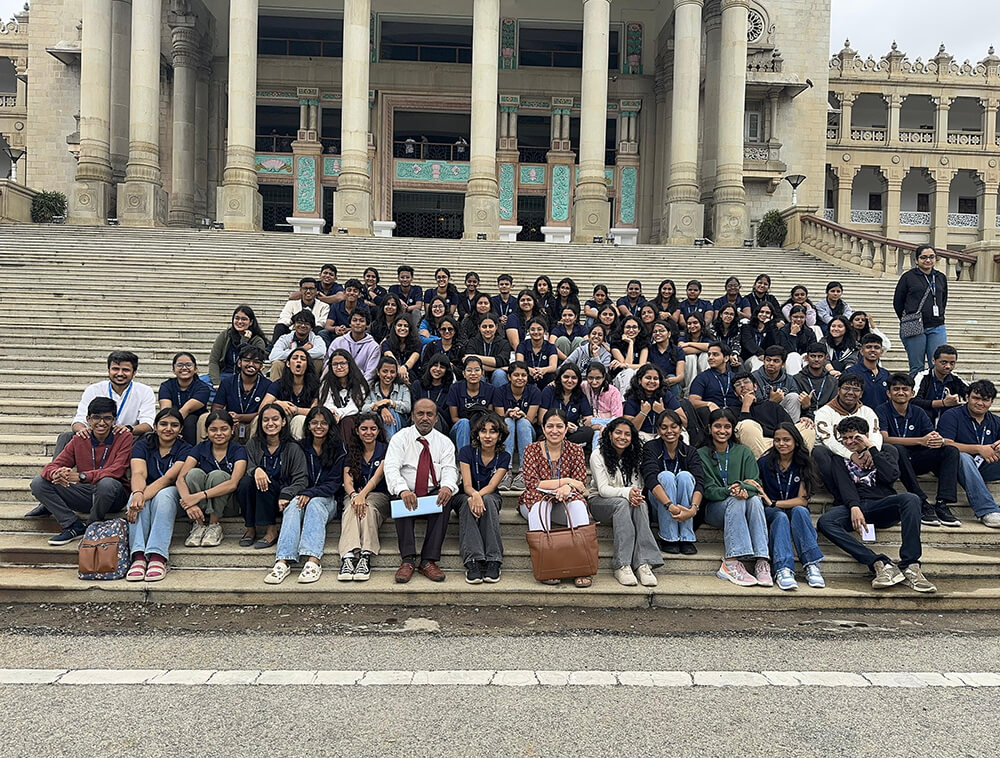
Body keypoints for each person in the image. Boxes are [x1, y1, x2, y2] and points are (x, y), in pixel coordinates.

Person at [817, 416, 935, 593]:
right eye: (845, 438)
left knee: (911, 499)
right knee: (825, 522)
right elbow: (844, 486)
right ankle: (879, 563)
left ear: (865, 435)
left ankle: (910, 564)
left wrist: (872, 450)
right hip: (855, 508)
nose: (850, 442)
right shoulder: (839, 458)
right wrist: (854, 507)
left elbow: (890, 476)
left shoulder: (885, 451)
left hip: (882, 505)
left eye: (855, 437)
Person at [29, 397, 132, 545]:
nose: (101, 423)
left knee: (107, 483)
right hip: (85, 492)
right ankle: (72, 525)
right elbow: (53, 465)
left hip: (113, 495)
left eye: (107, 418)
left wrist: (81, 476)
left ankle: (93, 525)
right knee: (39, 483)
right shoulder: (80, 438)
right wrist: (56, 474)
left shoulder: (123, 437)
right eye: (96, 418)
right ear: (88, 419)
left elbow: (116, 470)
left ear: (114, 420)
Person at [265, 406, 347, 584]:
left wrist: (310, 493)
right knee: (294, 504)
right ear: (308, 425)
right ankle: (282, 561)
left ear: (330, 425)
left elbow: (334, 484)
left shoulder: (339, 449)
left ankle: (313, 561)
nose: (319, 426)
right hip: (301, 496)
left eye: (324, 423)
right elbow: (290, 476)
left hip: (327, 500)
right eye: (314, 422)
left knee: (315, 504)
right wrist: (290, 494)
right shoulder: (298, 447)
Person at [384, 398, 459, 583]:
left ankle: (428, 561)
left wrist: (447, 487)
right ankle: (408, 560)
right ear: (412, 416)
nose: (425, 418)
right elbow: (391, 468)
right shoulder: (400, 438)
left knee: (446, 498)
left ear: (435, 418)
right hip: (407, 491)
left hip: (433, 492)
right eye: (420, 413)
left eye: (429, 414)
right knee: (398, 497)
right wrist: (403, 490)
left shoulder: (445, 442)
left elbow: (450, 469)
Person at [519, 409, 593, 588]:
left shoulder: (575, 450)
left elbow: (580, 483)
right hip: (535, 499)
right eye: (550, 426)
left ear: (567, 428)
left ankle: (581, 566)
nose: (555, 430)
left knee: (578, 506)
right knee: (539, 506)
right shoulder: (532, 449)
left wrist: (567, 488)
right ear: (543, 429)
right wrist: (566, 481)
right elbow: (532, 483)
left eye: (559, 426)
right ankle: (547, 565)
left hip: (565, 501)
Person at [698, 409, 772, 587]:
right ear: (709, 428)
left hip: (743, 504)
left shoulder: (743, 452)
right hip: (714, 509)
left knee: (754, 500)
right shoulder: (701, 454)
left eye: (727, 427)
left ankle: (762, 560)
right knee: (737, 499)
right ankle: (730, 563)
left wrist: (742, 487)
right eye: (717, 426)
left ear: (733, 429)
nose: (722, 431)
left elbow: (755, 483)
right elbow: (708, 490)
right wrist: (733, 490)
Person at [877, 372, 961, 527]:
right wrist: (920, 441)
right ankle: (921, 500)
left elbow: (930, 434)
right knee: (897, 448)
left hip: (916, 460)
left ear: (912, 393)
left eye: (905, 389)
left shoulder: (918, 411)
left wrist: (936, 440)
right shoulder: (882, 410)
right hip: (894, 462)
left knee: (951, 450)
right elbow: (884, 438)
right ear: (888, 393)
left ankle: (942, 503)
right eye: (896, 389)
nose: (901, 392)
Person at [589, 417, 662, 587]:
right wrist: (628, 493)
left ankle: (643, 563)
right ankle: (622, 564)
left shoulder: (635, 455)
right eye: (618, 433)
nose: (622, 437)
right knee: (622, 503)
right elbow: (603, 490)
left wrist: (634, 495)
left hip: (627, 502)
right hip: (600, 503)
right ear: (610, 434)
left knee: (641, 503)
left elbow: (637, 486)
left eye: (627, 434)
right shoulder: (597, 455)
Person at [125, 408, 193, 582]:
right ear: (155, 426)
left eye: (174, 425)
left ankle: (157, 556)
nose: (168, 428)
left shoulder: (186, 449)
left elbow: (169, 479)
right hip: (148, 490)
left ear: (181, 429)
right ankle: (139, 556)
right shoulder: (142, 445)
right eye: (163, 424)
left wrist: (141, 496)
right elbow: (138, 474)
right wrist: (138, 494)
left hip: (173, 494)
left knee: (162, 496)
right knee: (135, 498)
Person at [755, 423, 825, 591]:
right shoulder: (765, 462)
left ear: (796, 441)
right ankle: (783, 568)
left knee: (800, 511)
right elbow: (758, 489)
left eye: (786, 440)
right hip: (772, 512)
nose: (781, 444)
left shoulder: (803, 463)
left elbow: (802, 501)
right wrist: (771, 504)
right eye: (777, 440)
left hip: (789, 507)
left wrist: (774, 502)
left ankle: (811, 564)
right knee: (780, 517)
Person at [56, 350, 156, 456]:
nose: (120, 374)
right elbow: (79, 420)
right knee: (66, 437)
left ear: (134, 373)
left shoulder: (145, 391)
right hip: (96, 435)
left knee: (149, 437)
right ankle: (52, 471)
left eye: (125, 370)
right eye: (115, 369)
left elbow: (148, 424)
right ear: (109, 370)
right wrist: (83, 430)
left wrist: (129, 429)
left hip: (127, 437)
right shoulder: (93, 389)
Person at [237, 404, 308, 549]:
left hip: (281, 498)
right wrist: (256, 469)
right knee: (245, 483)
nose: (270, 424)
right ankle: (250, 528)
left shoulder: (293, 447)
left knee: (266, 484)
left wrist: (286, 493)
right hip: (257, 496)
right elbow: (248, 466)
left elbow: (302, 479)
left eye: (275, 419)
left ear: (283, 422)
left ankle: (271, 530)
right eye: (265, 420)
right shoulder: (253, 444)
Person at [175, 410, 247, 548]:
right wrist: (189, 503)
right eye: (213, 429)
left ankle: (214, 525)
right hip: (199, 506)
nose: (219, 433)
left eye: (224, 429)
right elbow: (180, 479)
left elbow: (233, 484)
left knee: (218, 475)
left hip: (228, 505)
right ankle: (199, 525)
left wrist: (198, 496)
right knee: (193, 473)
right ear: (207, 431)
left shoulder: (238, 450)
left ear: (232, 430)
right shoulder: (200, 448)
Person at [456, 411, 510, 584]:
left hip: (490, 497)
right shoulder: (466, 452)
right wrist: (474, 496)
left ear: (500, 435)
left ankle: (494, 559)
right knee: (466, 502)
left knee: (487, 500)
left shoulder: (504, 456)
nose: (487, 436)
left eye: (493, 431)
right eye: (483, 431)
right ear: (477, 434)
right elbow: (466, 486)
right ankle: (473, 560)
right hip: (466, 494)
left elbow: (493, 486)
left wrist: (478, 496)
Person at [938, 379, 1000, 528]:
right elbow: (944, 443)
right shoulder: (951, 415)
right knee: (963, 457)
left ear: (991, 402)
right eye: (976, 398)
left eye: (985, 400)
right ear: (967, 397)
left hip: (984, 467)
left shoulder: (995, 421)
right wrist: (979, 448)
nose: (980, 403)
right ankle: (988, 510)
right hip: (954, 467)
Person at [642, 409, 704, 554]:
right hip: (658, 503)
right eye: (664, 427)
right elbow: (650, 479)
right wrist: (670, 506)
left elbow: (700, 482)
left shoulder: (690, 451)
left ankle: (686, 537)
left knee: (685, 476)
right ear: (658, 430)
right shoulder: (650, 448)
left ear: (681, 428)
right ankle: (668, 537)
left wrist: (693, 509)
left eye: (674, 426)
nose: (669, 431)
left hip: (686, 506)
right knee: (666, 476)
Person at [339, 411, 392, 580]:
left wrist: (362, 496)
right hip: (354, 493)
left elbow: (377, 477)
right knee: (350, 509)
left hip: (378, 494)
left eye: (373, 429)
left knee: (367, 507)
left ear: (378, 430)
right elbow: (347, 481)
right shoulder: (351, 450)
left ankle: (365, 555)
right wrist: (355, 495)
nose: (368, 432)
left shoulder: (386, 449)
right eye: (364, 429)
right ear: (357, 431)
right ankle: (348, 557)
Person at [813, 373, 882, 494]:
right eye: (846, 388)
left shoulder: (867, 411)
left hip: (862, 453)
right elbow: (828, 441)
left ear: (861, 394)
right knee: (819, 452)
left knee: (891, 450)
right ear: (838, 390)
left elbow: (876, 434)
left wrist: (872, 451)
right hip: (837, 456)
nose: (850, 392)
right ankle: (838, 494)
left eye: (856, 390)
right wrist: (851, 455)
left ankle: (879, 491)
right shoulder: (824, 412)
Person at [894, 244, 948, 375]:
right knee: (916, 366)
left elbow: (943, 299)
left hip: (937, 325)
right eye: (923, 257)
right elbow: (898, 302)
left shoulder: (940, 277)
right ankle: (916, 394)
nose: (928, 260)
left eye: (931, 257)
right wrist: (907, 318)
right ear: (916, 260)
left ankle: (934, 394)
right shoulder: (908, 277)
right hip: (914, 325)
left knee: (937, 365)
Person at [733, 371, 815, 457]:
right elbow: (743, 434)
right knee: (746, 425)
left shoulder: (771, 405)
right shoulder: (732, 410)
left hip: (780, 441)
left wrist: (779, 440)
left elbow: (789, 426)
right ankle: (764, 465)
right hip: (760, 444)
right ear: (735, 392)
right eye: (737, 384)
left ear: (755, 387)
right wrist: (745, 406)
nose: (742, 385)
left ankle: (800, 462)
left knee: (806, 426)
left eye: (746, 382)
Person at [211, 344, 276, 442]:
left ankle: (256, 454)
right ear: (239, 363)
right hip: (231, 424)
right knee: (205, 418)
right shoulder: (227, 382)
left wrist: (240, 417)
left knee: (259, 419)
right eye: (247, 360)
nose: (251, 364)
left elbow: (266, 413)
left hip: (255, 426)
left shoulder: (268, 385)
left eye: (256, 362)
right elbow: (216, 407)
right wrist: (228, 417)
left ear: (262, 366)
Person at [493, 361, 540, 489]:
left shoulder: (533, 391)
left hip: (527, 430)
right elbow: (499, 418)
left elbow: (530, 419)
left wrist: (522, 415)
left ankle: (524, 471)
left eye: (523, 375)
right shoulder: (500, 391)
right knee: (507, 422)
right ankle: (504, 471)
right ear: (509, 377)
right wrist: (508, 414)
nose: (520, 378)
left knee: (523, 422)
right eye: (516, 375)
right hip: (506, 430)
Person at [158, 352, 210, 445]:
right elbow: (165, 409)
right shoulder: (166, 386)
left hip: (195, 423)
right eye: (180, 365)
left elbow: (187, 409)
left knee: (190, 420)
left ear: (195, 369)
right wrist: (170, 426)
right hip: (172, 419)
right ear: (173, 369)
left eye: (188, 365)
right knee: (167, 415)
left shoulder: (203, 388)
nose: (184, 368)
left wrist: (174, 427)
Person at [623, 364, 684, 443]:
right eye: (648, 378)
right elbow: (629, 429)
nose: (652, 381)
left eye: (655, 378)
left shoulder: (666, 395)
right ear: (639, 380)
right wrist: (643, 413)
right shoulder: (632, 397)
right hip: (642, 435)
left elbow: (684, 422)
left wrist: (663, 412)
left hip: (665, 433)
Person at [269, 348, 320, 439]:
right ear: (288, 363)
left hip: (305, 424)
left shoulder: (315, 385)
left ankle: (297, 452)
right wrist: (277, 403)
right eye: (295, 358)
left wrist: (295, 410)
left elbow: (315, 411)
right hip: (282, 422)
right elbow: (263, 407)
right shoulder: (279, 384)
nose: (299, 361)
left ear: (307, 365)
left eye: (303, 359)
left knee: (299, 420)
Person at [209, 305, 267, 386]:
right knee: (202, 384)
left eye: (244, 319)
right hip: (224, 375)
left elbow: (251, 362)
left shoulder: (257, 341)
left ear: (251, 322)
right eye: (237, 318)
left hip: (246, 378)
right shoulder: (225, 335)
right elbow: (213, 361)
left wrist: (244, 341)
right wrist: (216, 383)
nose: (240, 322)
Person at [318, 350, 369, 440]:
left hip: (353, 417)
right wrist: (332, 411)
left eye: (342, 363)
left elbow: (354, 407)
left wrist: (339, 414)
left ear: (349, 364)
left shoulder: (359, 382)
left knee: (346, 422)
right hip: (332, 416)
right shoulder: (326, 383)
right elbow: (326, 403)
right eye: (335, 364)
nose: (339, 367)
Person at [539, 362, 594, 447]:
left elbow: (588, 419)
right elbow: (541, 419)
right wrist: (563, 424)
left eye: (574, 378)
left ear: (578, 380)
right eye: (566, 377)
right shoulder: (549, 391)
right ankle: (567, 446)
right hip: (551, 430)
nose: (569, 381)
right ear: (560, 378)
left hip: (569, 434)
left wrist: (576, 427)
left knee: (588, 432)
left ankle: (562, 445)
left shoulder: (580, 395)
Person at [448, 356, 496, 451]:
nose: (473, 373)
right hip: (460, 430)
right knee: (464, 422)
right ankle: (464, 458)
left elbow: (489, 416)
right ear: (463, 373)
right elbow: (454, 418)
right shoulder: (455, 388)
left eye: (477, 370)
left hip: (481, 430)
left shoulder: (490, 389)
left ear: (482, 373)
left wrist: (478, 429)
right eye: (469, 370)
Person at [913, 344, 967, 425]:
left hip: (948, 421)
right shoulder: (922, 376)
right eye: (944, 362)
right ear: (933, 361)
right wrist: (942, 403)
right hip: (923, 421)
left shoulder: (956, 379)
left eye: (952, 363)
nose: (948, 366)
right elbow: (913, 401)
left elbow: (969, 394)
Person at [362, 355, 411, 438]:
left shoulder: (402, 388)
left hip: (399, 424)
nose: (388, 375)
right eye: (385, 371)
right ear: (378, 372)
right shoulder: (372, 388)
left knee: (391, 412)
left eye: (392, 372)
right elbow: (364, 409)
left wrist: (389, 402)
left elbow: (407, 407)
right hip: (377, 424)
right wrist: (381, 409)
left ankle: (390, 444)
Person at [751, 346, 804, 422]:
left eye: (776, 361)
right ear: (764, 361)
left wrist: (806, 405)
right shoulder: (754, 377)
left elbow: (795, 403)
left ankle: (791, 429)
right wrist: (771, 401)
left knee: (794, 396)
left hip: (784, 414)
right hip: (761, 415)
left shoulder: (789, 379)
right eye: (768, 360)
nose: (771, 363)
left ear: (783, 364)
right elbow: (755, 404)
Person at [269, 310, 325, 379]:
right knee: (277, 364)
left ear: (312, 328)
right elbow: (273, 356)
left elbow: (321, 352)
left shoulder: (316, 339)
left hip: (308, 370)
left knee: (318, 362)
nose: (303, 326)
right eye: (299, 323)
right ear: (294, 325)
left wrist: (296, 355)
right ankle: (274, 389)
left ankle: (312, 388)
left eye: (307, 323)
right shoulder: (285, 338)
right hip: (288, 369)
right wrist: (302, 349)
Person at [272, 277, 330, 346]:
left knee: (320, 330)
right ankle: (273, 349)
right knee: (280, 327)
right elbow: (283, 318)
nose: (308, 291)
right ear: (300, 290)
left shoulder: (324, 306)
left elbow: (322, 322)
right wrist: (295, 323)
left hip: (312, 332)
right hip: (293, 331)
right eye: (305, 288)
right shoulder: (291, 303)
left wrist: (307, 326)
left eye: (311, 289)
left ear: (316, 290)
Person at [329, 309, 380, 383]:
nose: (358, 323)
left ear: (367, 325)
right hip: (338, 382)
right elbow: (330, 365)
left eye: (361, 321)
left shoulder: (373, 346)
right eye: (354, 320)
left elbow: (370, 373)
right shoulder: (338, 342)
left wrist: (360, 388)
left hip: (361, 384)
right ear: (350, 324)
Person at [688, 342, 740, 412]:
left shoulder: (735, 377)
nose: (710, 358)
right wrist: (709, 404)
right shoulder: (701, 378)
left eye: (715, 354)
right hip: (712, 416)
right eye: (709, 355)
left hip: (734, 414)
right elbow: (693, 401)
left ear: (726, 358)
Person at [583, 361, 624, 450]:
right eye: (590, 378)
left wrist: (595, 422)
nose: (594, 382)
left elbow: (617, 418)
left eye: (598, 378)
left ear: (604, 377)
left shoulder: (613, 391)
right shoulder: (584, 386)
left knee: (599, 434)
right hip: (590, 425)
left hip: (608, 424)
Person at [463, 313, 511, 387]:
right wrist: (495, 367)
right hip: (479, 374)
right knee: (476, 373)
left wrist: (475, 357)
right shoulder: (472, 342)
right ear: (479, 327)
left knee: (499, 373)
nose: (487, 330)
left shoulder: (504, 343)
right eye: (484, 327)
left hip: (497, 376)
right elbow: (471, 363)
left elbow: (499, 361)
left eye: (491, 326)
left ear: (496, 327)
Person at [845, 333, 890, 411]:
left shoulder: (886, 374)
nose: (873, 350)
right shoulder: (850, 372)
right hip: (858, 417)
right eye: (869, 347)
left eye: (876, 347)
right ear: (862, 351)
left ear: (881, 352)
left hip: (882, 418)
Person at [411, 353, 455, 432]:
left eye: (442, 367)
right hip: (418, 422)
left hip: (441, 425)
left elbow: (448, 417)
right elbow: (414, 409)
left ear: (446, 370)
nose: (438, 369)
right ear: (430, 367)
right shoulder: (417, 385)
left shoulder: (450, 389)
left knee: (434, 418)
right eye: (435, 365)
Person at [794, 342, 839, 417]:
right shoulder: (797, 379)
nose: (816, 359)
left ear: (825, 358)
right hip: (804, 418)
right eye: (813, 356)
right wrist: (806, 406)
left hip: (827, 417)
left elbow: (834, 406)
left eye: (820, 356)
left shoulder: (833, 381)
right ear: (807, 358)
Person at [610, 316, 648, 393]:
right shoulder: (615, 344)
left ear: (639, 329)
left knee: (638, 371)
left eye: (634, 327)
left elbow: (642, 366)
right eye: (628, 327)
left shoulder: (644, 344)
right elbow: (627, 366)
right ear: (623, 329)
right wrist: (631, 343)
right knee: (629, 372)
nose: (631, 330)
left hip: (637, 377)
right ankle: (624, 402)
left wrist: (625, 365)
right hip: (619, 378)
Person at [648, 320, 685, 397]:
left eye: (661, 331)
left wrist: (671, 380)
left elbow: (680, 375)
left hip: (671, 382)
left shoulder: (678, 350)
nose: (658, 333)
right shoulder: (649, 349)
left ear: (669, 334)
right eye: (655, 331)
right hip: (654, 380)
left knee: (671, 377)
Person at [380, 315, 421, 384]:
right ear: (395, 327)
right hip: (392, 373)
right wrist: (401, 372)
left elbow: (412, 359)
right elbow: (391, 358)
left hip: (411, 374)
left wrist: (404, 368)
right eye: (399, 325)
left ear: (410, 328)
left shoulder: (417, 343)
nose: (402, 328)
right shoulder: (387, 343)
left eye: (406, 326)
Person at [775, 305, 813, 375]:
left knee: (807, 357)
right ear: (790, 317)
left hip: (803, 358)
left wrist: (809, 354)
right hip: (788, 359)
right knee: (794, 356)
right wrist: (793, 334)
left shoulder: (809, 331)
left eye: (801, 317)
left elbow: (813, 347)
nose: (798, 320)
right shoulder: (783, 331)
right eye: (795, 317)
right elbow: (787, 350)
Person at [739, 302, 778, 370]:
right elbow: (748, 343)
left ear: (771, 315)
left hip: (767, 359)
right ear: (757, 313)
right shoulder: (747, 326)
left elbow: (775, 343)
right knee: (757, 361)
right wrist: (760, 353)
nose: (764, 314)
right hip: (749, 360)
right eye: (761, 312)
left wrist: (770, 325)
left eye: (767, 313)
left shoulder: (772, 328)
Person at [679, 314, 713, 390]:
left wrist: (689, 344)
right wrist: (703, 348)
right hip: (688, 373)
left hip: (703, 368)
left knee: (705, 355)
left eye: (695, 323)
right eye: (689, 323)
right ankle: (691, 390)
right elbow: (683, 349)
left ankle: (707, 388)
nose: (692, 326)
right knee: (690, 357)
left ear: (701, 323)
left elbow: (710, 347)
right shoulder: (683, 337)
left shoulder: (706, 336)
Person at [388, 264, 424, 331]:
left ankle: (416, 334)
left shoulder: (417, 289)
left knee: (416, 312)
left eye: (407, 277)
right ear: (398, 278)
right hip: (397, 314)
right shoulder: (393, 289)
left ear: (412, 278)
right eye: (402, 277)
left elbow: (419, 306)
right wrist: (399, 300)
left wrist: (407, 308)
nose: (405, 280)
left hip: (411, 316)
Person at [710, 305, 743, 370]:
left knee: (738, 361)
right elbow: (714, 345)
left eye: (731, 314)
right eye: (726, 313)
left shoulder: (737, 329)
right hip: (717, 355)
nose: (728, 316)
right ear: (720, 315)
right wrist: (725, 356)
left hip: (731, 355)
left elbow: (736, 344)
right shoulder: (713, 330)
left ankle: (741, 379)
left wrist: (734, 355)